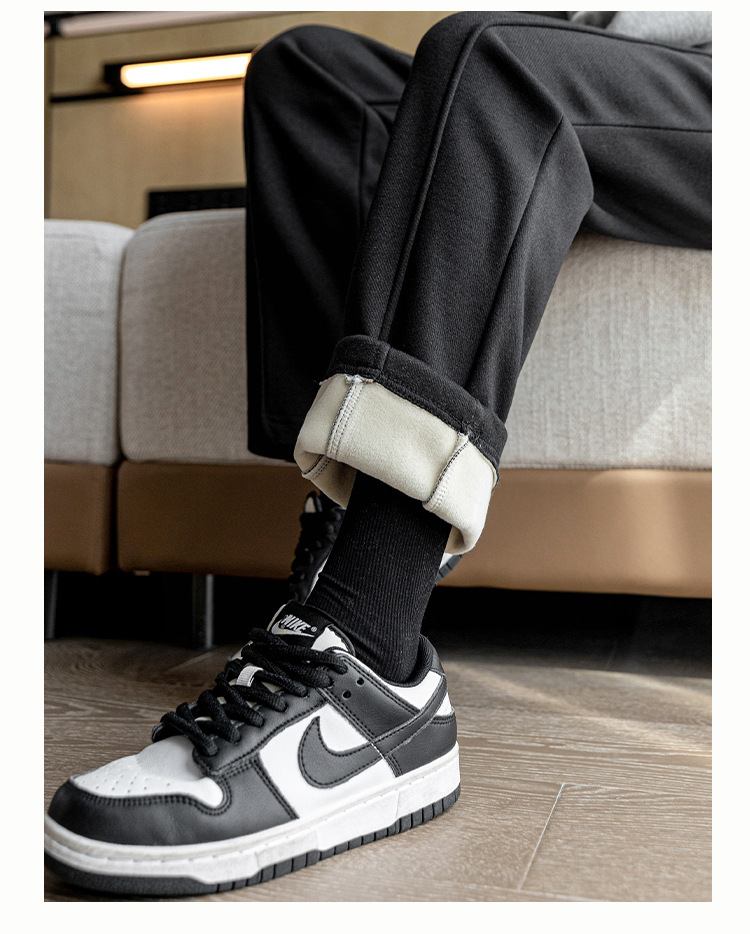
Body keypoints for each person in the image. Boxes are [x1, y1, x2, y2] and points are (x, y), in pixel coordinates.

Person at [44, 11, 711, 896]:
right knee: (308, 74)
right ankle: (328, 578)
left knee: (497, 62)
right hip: (623, 62)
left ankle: (368, 653)